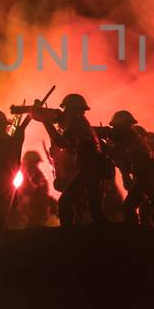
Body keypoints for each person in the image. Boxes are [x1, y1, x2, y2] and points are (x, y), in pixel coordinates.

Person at [40, 93, 109, 226]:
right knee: (96, 212)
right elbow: (71, 148)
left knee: (65, 202)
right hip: (94, 170)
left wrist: (45, 121)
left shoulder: (76, 124)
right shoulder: (83, 124)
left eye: (66, 110)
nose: (64, 113)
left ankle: (68, 239)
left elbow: (61, 142)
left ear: (71, 110)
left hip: (89, 171)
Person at [104, 111, 154, 230]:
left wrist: (110, 149)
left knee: (128, 207)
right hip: (152, 180)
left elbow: (124, 161)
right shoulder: (135, 139)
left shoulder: (129, 141)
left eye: (116, 127)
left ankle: (135, 234)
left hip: (146, 180)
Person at [14, 150, 56, 228]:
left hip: (36, 212)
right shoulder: (24, 175)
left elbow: (41, 192)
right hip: (29, 213)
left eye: (34, 163)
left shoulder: (37, 176)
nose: (33, 165)